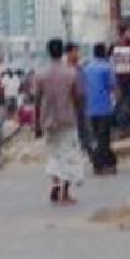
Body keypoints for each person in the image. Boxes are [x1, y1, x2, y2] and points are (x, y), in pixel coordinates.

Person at [34, 39, 85, 205]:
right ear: (62, 51)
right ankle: (65, 193)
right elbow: (77, 97)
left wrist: (36, 124)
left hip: (48, 121)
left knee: (54, 154)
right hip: (67, 119)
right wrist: (80, 116)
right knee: (69, 156)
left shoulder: (40, 74)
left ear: (48, 52)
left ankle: (55, 183)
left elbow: (36, 101)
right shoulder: (70, 73)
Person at [83, 43, 118, 175]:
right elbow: (112, 86)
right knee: (104, 138)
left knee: (100, 137)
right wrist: (116, 103)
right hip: (104, 107)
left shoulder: (87, 68)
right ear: (104, 53)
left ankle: (111, 162)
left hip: (90, 109)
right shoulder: (107, 67)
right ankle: (99, 165)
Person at [66, 43, 94, 159]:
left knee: (85, 127)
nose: (77, 54)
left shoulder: (80, 67)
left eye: (78, 51)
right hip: (70, 101)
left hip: (82, 100)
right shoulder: (66, 68)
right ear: (69, 53)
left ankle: (89, 151)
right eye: (75, 51)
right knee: (73, 128)